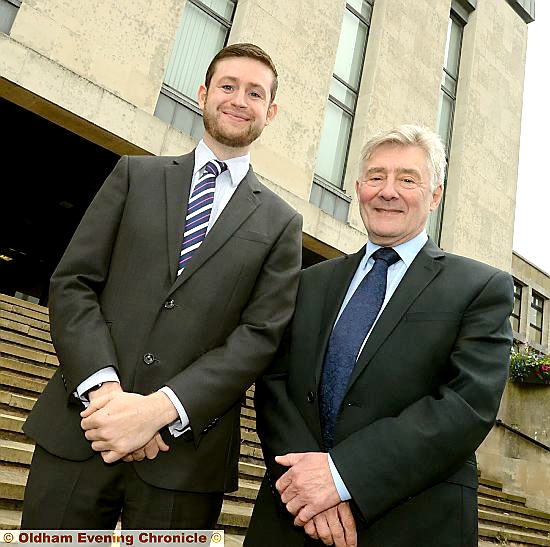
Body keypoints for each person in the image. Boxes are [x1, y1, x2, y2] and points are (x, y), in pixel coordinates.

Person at [22, 43, 303, 530]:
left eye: (255, 93)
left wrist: (158, 410)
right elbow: (74, 283)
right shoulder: (134, 175)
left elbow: (259, 336)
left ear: (270, 111)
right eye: (228, 86)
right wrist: (105, 394)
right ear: (203, 94)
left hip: (186, 458)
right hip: (82, 430)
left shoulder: (282, 223)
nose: (239, 99)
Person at [244, 124, 514, 547]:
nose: (388, 191)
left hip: (411, 521)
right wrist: (308, 485)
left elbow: (466, 405)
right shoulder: (309, 282)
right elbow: (274, 384)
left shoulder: (480, 288)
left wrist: (341, 477)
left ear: (435, 195)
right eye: (375, 177)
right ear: (358, 188)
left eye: (407, 179)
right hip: (291, 517)